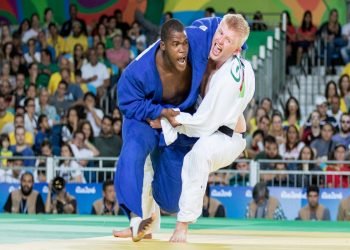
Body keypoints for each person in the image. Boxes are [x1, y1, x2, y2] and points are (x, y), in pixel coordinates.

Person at [114, 17, 224, 241]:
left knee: (171, 201)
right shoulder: (137, 72)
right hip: (144, 120)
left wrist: (239, 46)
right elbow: (127, 103)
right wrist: (158, 112)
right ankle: (136, 220)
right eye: (176, 44)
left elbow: (223, 25)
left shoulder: (197, 39)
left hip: (176, 122)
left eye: (184, 43)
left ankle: (154, 200)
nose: (183, 49)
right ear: (162, 45)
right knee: (132, 153)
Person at [158, 14, 253, 242]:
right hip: (209, 127)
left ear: (238, 49)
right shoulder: (207, 60)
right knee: (154, 150)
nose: (220, 40)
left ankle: (182, 227)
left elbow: (204, 124)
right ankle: (146, 219)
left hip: (226, 137)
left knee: (198, 157)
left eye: (228, 40)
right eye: (220, 32)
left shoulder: (230, 76)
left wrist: (169, 119)